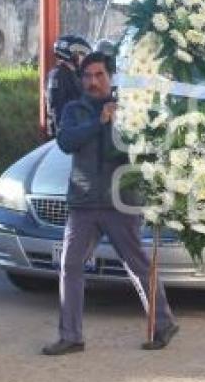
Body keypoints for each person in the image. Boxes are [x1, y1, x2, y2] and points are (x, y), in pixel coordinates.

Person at [42, 52, 177, 356]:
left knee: (138, 266)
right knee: (70, 266)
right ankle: (71, 337)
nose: (93, 81)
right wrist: (98, 121)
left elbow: (142, 151)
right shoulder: (75, 110)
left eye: (99, 75)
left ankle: (163, 323)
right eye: (88, 76)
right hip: (83, 203)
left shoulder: (131, 110)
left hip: (121, 202)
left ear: (111, 77)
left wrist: (123, 125)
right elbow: (65, 142)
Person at [45, 34, 92, 137]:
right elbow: (56, 109)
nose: (84, 58)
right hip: (63, 137)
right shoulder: (57, 75)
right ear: (71, 54)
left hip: (76, 132)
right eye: (81, 54)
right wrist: (63, 136)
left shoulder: (75, 74)